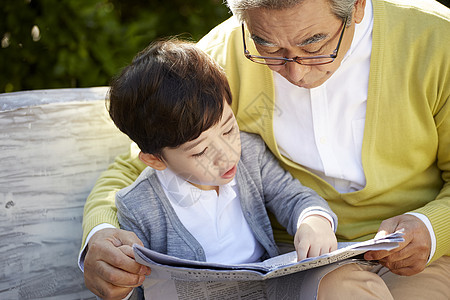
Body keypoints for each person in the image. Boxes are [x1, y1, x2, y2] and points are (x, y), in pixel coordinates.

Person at [79, 0, 450, 299]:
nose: (295, 72)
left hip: (412, 255)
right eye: (268, 47)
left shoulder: (436, 40)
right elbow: (130, 170)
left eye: (314, 44)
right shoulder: (223, 54)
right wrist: (100, 237)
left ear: (355, 6)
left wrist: (433, 228)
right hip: (292, 263)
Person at [106, 39, 337, 299]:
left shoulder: (250, 155)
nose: (226, 155)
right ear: (156, 160)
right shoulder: (138, 206)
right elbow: (133, 286)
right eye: (200, 151)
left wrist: (313, 221)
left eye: (228, 129)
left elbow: (292, 196)